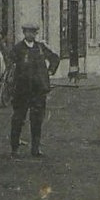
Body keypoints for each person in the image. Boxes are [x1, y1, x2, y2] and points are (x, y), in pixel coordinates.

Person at [8, 23, 61, 157]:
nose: (31, 35)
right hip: (22, 91)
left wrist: (50, 71)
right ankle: (14, 148)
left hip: (39, 90)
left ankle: (35, 148)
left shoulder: (40, 48)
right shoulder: (18, 49)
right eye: (28, 32)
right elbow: (10, 65)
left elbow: (54, 58)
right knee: (18, 119)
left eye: (33, 32)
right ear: (24, 33)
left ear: (36, 34)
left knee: (37, 120)